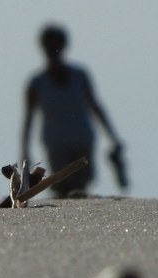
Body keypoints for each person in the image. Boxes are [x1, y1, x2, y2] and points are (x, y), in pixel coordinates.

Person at [21, 24, 125, 198]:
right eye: (49, 47)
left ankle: (82, 215)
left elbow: (95, 106)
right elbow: (28, 119)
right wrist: (25, 151)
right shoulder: (37, 83)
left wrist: (113, 137)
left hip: (82, 138)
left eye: (56, 46)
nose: (53, 51)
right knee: (60, 186)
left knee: (81, 185)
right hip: (55, 143)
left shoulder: (79, 76)